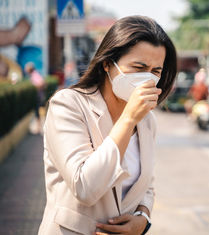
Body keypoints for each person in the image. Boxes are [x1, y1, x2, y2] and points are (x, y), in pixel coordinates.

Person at [38, 16, 177, 235]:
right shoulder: (68, 105)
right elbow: (84, 187)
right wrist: (128, 119)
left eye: (155, 71)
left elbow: (146, 184)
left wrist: (143, 219)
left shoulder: (148, 121)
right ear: (107, 64)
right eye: (139, 67)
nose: (147, 78)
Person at [25, 62, 46, 134]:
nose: (26, 70)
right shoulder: (34, 74)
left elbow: (41, 83)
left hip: (38, 97)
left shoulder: (34, 74)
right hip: (39, 96)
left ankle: (38, 128)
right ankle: (38, 127)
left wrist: (35, 88)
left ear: (30, 69)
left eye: (27, 69)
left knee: (38, 113)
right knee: (38, 113)